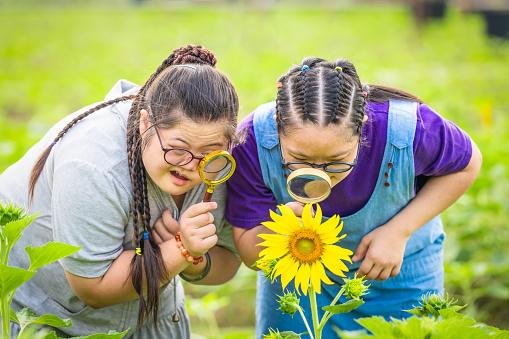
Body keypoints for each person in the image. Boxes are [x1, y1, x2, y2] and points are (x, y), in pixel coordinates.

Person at [225, 57, 482, 337]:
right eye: (300, 159)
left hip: (401, 272)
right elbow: (250, 254)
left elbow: (468, 164)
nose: (318, 173)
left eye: (336, 160)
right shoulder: (251, 142)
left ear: (363, 123)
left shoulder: (408, 129)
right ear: (277, 126)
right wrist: (280, 230)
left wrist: (399, 231)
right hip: (298, 282)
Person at [0, 45, 241, 338]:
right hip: (53, 318)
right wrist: (179, 249)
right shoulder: (92, 165)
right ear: (144, 124)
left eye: (209, 152)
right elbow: (93, 287)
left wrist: (196, 262)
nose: (191, 165)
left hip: (153, 314)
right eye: (177, 150)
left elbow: (228, 260)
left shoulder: (220, 166)